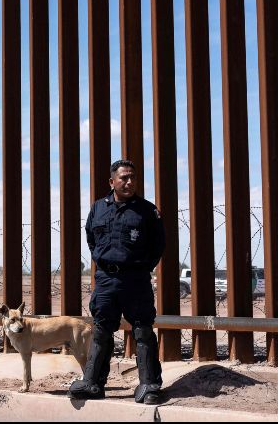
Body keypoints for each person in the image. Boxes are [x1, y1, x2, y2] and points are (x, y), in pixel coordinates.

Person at [68, 160, 165, 405]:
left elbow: (158, 245)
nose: (129, 182)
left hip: (136, 279)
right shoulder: (98, 208)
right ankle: (92, 383)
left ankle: (149, 386)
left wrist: (139, 267)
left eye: (133, 177)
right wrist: (104, 261)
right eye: (124, 178)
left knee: (142, 330)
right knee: (101, 329)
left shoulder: (147, 211)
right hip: (106, 280)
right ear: (112, 181)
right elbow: (91, 238)